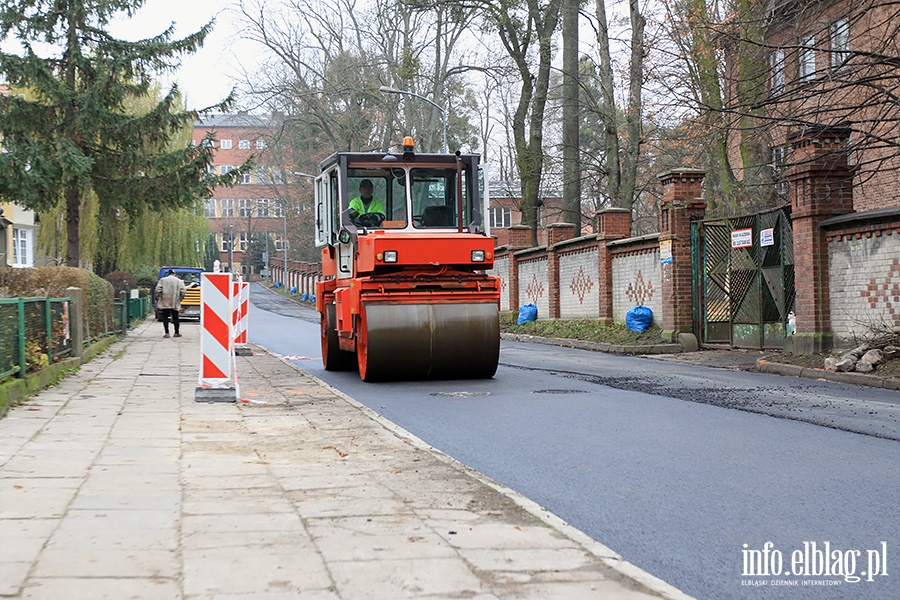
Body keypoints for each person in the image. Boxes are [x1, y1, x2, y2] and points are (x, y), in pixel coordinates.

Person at [155, 270, 186, 338]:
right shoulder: (179, 281)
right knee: (175, 317)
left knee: (165, 317)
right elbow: (183, 291)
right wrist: (179, 299)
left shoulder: (162, 280)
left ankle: (167, 333)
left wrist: (160, 297)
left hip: (165, 301)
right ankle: (176, 332)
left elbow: (157, 290)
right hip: (175, 301)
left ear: (168, 274)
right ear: (174, 274)